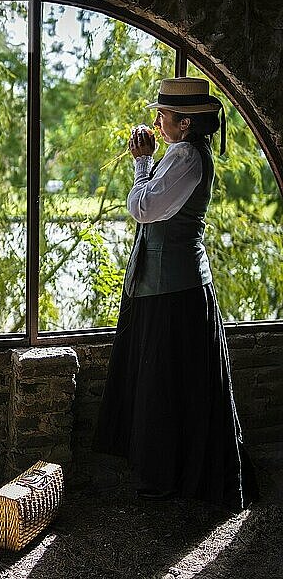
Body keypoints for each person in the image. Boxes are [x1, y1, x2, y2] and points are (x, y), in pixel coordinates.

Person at [92, 77, 259, 511]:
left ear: (184, 123)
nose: (156, 120)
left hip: (175, 288)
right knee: (169, 381)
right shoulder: (182, 153)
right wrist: (149, 164)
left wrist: (141, 165)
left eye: (162, 114)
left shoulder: (185, 156)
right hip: (169, 285)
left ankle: (167, 476)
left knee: (165, 384)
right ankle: (169, 471)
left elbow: (143, 209)